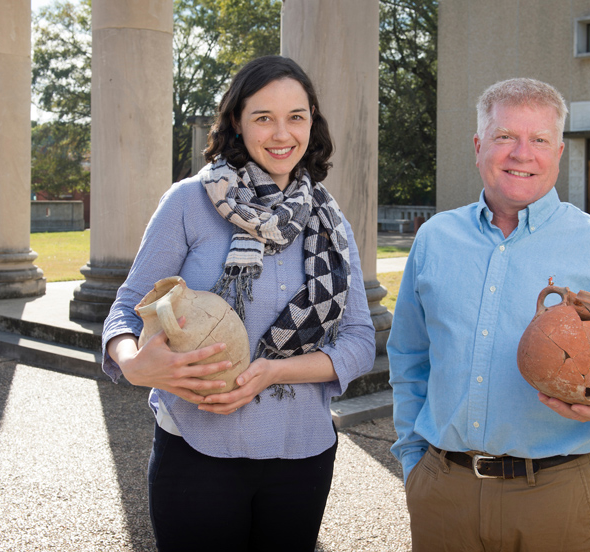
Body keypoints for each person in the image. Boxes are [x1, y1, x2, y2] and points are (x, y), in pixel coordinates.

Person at [102, 55, 375, 552]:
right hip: (195, 450)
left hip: (302, 455)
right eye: (263, 117)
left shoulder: (330, 222)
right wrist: (134, 363)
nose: (281, 133)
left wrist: (270, 372)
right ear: (236, 122)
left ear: (312, 122)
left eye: (296, 116)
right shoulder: (188, 202)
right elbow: (126, 307)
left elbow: (358, 341)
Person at [388, 78, 590, 552]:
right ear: (479, 146)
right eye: (504, 137)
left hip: (555, 495)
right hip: (442, 493)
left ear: (558, 151)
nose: (522, 153)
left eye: (538, 139)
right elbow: (410, 354)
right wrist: (414, 461)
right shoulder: (435, 238)